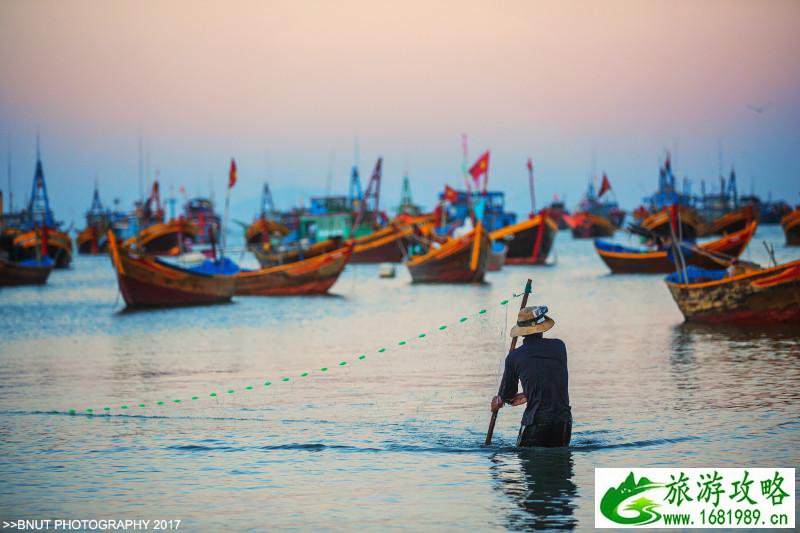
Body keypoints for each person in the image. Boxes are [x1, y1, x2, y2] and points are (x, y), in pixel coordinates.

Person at [490, 305, 572, 447]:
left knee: (530, 464)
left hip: (535, 422)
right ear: (542, 327)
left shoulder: (514, 357)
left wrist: (499, 401)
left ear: (521, 331)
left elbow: (508, 395)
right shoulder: (559, 347)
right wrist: (528, 394)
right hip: (563, 421)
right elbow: (547, 380)